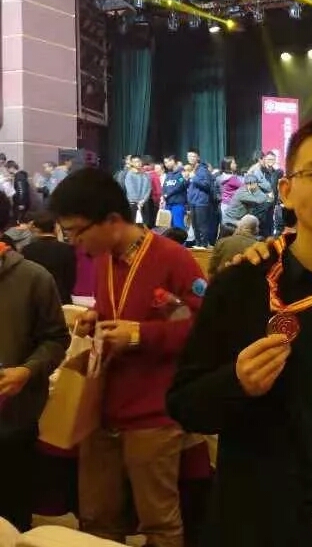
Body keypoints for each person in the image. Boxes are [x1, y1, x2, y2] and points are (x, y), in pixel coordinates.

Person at [166, 113, 312, 547]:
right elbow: (184, 405)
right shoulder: (239, 285)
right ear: (285, 190)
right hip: (258, 521)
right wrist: (235, 383)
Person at [48, 168, 207, 547]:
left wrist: (139, 334)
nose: (74, 243)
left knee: (159, 524)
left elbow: (203, 328)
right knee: (96, 518)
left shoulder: (173, 259)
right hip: (101, 407)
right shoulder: (104, 258)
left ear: (112, 220)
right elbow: (117, 309)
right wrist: (95, 317)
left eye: (77, 232)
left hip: (153, 414)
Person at [0, 192, 69, 532]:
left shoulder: (33, 278)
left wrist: (27, 370)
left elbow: (56, 339)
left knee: (11, 519)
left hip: (12, 421)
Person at [21, 211, 76, 305]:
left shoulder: (27, 250)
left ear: (36, 229)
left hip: (35, 298)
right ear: (55, 228)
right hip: (61, 297)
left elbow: (25, 277)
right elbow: (71, 277)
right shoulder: (66, 249)